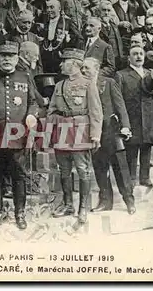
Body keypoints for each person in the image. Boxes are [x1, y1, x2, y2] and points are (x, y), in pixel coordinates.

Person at [0, 41, 39, 230]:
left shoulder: (25, 76)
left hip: (18, 135)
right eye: (3, 56)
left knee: (19, 176)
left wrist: (31, 115)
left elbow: (34, 102)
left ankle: (20, 214)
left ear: (17, 58)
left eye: (11, 56)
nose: (7, 60)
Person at [47, 49, 103, 223]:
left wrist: (95, 134)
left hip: (81, 131)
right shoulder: (59, 85)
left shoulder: (88, 84)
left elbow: (96, 111)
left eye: (64, 62)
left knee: (82, 170)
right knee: (63, 170)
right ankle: (68, 204)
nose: (60, 65)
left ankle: (83, 209)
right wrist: (49, 134)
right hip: (62, 131)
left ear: (73, 64)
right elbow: (51, 111)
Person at [85, 57, 135, 214]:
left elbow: (120, 105)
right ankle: (105, 201)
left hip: (111, 130)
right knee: (100, 168)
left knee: (121, 168)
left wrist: (126, 126)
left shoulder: (108, 83)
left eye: (87, 68)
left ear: (97, 68)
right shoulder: (82, 85)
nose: (83, 71)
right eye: (82, 68)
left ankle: (129, 200)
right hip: (94, 132)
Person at [115, 46, 153, 187]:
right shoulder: (121, 75)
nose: (138, 56)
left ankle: (145, 177)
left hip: (148, 115)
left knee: (146, 146)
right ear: (129, 58)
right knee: (132, 147)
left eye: (141, 54)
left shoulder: (151, 73)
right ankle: (131, 177)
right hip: (131, 115)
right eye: (135, 54)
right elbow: (118, 98)